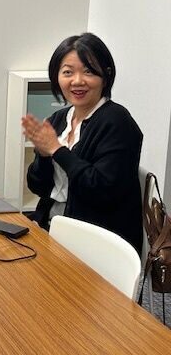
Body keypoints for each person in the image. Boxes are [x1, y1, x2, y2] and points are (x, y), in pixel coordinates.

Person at [22, 33, 143, 252]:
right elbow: (38, 186)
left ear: (105, 76)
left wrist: (57, 150)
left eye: (89, 71)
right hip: (52, 228)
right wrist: (43, 156)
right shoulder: (59, 119)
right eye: (68, 72)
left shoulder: (118, 122)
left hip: (96, 243)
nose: (77, 81)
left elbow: (101, 191)